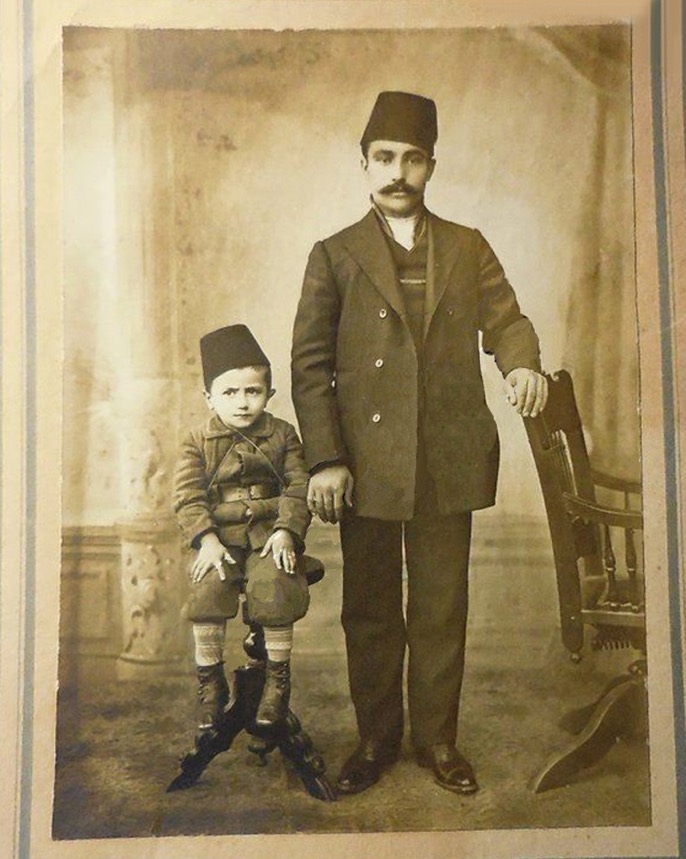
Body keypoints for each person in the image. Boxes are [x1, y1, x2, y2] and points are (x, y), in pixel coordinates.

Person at [291, 91, 548, 796]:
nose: (397, 171)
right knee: (371, 608)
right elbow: (310, 366)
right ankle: (376, 738)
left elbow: (507, 317)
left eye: (411, 158)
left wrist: (521, 360)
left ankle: (438, 739)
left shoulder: (467, 246)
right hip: (365, 466)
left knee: (441, 603)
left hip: (444, 458)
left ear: (431, 165)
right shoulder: (334, 255)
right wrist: (327, 458)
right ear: (363, 164)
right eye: (383, 158)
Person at [173, 324, 311, 734]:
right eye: (229, 393)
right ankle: (210, 685)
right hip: (222, 541)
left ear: (269, 394)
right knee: (208, 589)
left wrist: (286, 531)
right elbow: (187, 495)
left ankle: (276, 683)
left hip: (270, 537)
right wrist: (207, 541)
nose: (242, 402)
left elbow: (299, 485)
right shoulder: (197, 440)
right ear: (209, 397)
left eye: (252, 391)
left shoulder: (283, 434)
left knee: (274, 584)